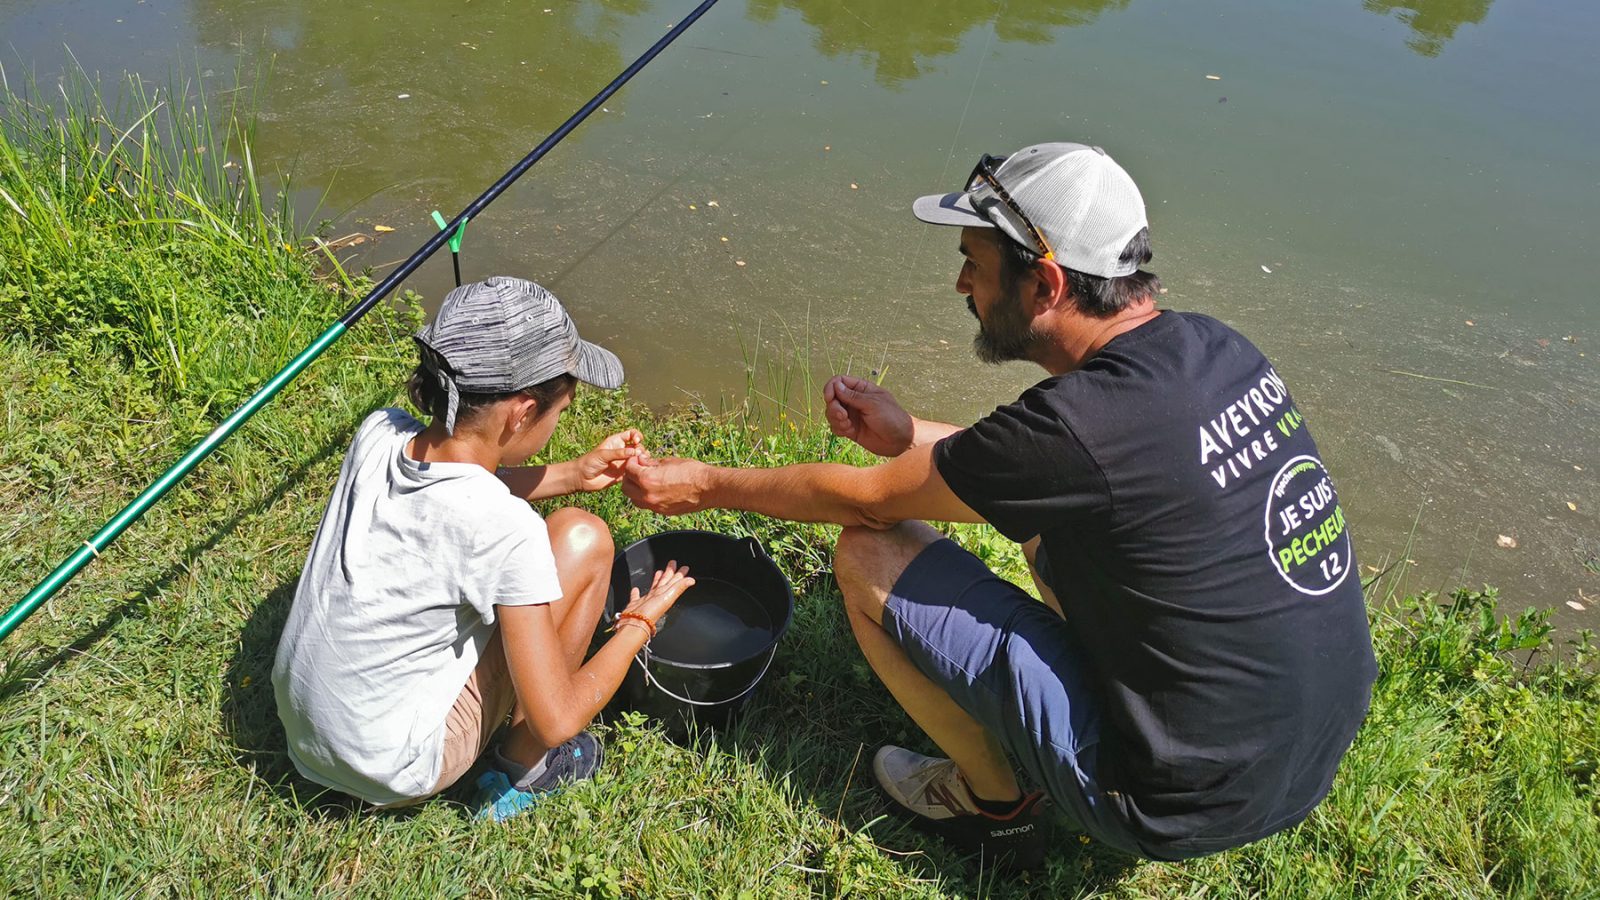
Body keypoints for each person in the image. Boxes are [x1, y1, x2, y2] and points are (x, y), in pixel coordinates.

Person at [622, 144, 1376, 867]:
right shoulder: (1215, 349)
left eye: (973, 266)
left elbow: (865, 500)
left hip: (1172, 800)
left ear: (1046, 285)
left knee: (867, 552)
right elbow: (1060, 466)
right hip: (1304, 755)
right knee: (1045, 527)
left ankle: (996, 809)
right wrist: (908, 433)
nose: (962, 288)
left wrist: (704, 484)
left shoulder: (1081, 424)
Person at [273, 275, 695, 821]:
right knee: (585, 542)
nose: (558, 420)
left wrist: (572, 472)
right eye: (561, 410)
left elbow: (456, 490)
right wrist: (641, 620)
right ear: (520, 413)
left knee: (568, 529)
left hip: (307, 729)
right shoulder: (505, 528)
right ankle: (525, 772)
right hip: (393, 766)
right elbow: (556, 718)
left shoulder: (379, 434)